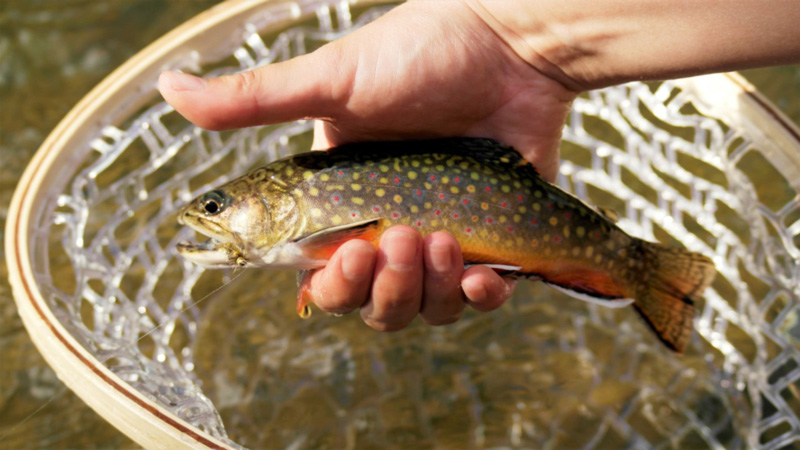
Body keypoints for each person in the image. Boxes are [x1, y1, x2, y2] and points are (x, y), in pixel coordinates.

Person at [159, 0, 800, 332]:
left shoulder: (309, 216)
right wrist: (507, 36)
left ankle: (641, 267)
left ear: (274, 203)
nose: (208, 217)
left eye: (217, 208)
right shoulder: (307, 220)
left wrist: (504, 35)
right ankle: (642, 268)